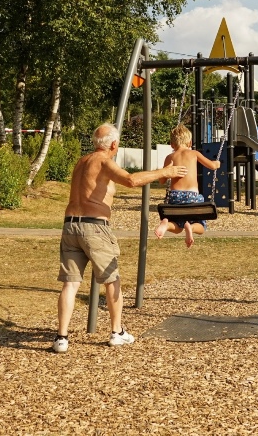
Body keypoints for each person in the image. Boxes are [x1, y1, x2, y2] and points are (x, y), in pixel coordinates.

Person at [53, 123, 187, 354]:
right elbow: (131, 180)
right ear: (114, 144)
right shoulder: (104, 161)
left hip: (70, 227)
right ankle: (117, 332)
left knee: (70, 283)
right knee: (111, 279)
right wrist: (165, 172)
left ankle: (61, 338)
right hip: (95, 228)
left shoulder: (81, 162)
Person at [155, 124, 221, 248]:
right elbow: (212, 166)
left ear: (172, 145)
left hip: (174, 197)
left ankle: (166, 225)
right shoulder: (194, 153)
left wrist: (167, 170)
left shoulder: (169, 157)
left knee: (177, 227)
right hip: (192, 197)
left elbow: (162, 181)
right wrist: (217, 164)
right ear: (190, 143)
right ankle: (191, 227)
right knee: (201, 226)